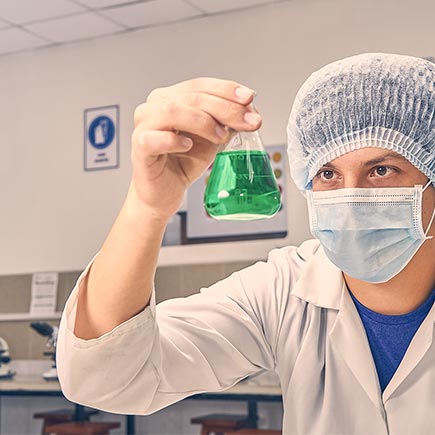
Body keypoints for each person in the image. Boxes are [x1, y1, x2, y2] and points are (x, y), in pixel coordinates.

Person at [57, 53, 435, 434]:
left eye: (382, 170)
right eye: (327, 174)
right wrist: (146, 208)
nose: (350, 200)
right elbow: (106, 378)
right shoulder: (284, 291)